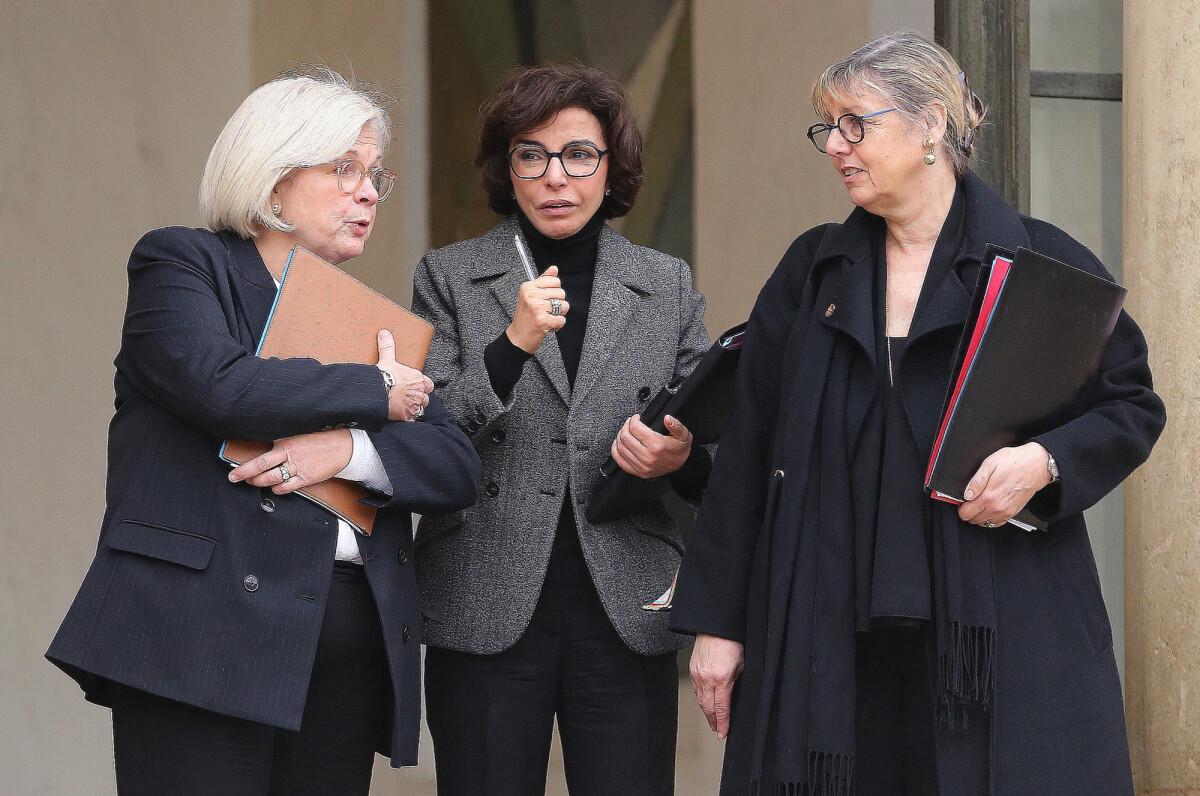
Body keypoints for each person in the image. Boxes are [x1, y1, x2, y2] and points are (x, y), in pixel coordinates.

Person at [670, 32, 1166, 796]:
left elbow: (1130, 401)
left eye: (854, 124)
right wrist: (717, 624)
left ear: (931, 123)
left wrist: (1045, 462)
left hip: (996, 632)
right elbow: (748, 450)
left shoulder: (1038, 263)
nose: (835, 145)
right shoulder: (814, 270)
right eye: (827, 128)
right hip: (825, 629)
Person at [46, 68, 481, 796]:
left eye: (376, 175)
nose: (369, 192)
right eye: (344, 169)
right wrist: (376, 389)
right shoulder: (182, 264)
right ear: (273, 177)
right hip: (201, 638)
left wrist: (346, 449)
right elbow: (222, 385)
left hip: (345, 653)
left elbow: (454, 463)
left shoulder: (368, 319)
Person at [411, 62, 711, 796]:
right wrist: (510, 346)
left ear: (612, 169)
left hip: (626, 601)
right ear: (505, 168)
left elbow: (718, 443)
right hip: (482, 595)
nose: (556, 177)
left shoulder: (663, 282)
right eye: (532, 155)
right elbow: (423, 437)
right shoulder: (449, 276)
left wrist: (677, 456)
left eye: (579, 155)